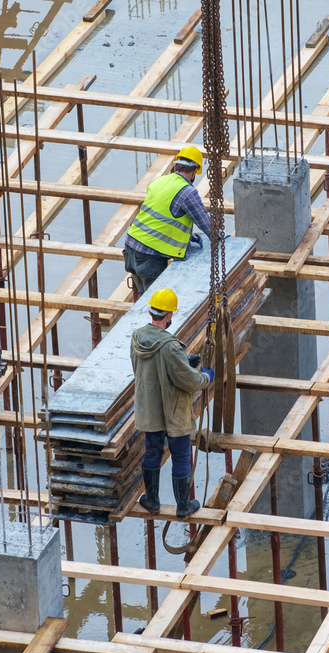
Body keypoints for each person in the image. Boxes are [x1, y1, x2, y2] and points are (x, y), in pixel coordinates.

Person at [130, 288, 214, 518]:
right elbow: (189, 381)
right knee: (180, 456)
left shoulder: (137, 338)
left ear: (150, 311)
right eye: (171, 314)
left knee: (152, 453)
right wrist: (206, 376)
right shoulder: (170, 346)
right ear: (168, 315)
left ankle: (153, 501)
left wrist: (184, 360)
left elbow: (145, 369)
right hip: (174, 412)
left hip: (150, 411)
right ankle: (183, 507)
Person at [123, 146, 214, 297]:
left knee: (140, 301)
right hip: (149, 257)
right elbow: (205, 223)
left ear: (175, 166)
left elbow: (159, 217)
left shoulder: (159, 182)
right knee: (156, 302)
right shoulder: (187, 192)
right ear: (193, 172)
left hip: (131, 246)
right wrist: (222, 239)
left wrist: (186, 237)